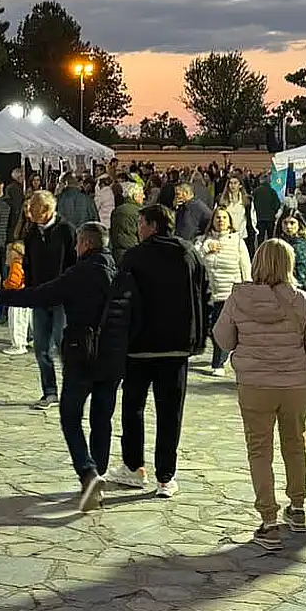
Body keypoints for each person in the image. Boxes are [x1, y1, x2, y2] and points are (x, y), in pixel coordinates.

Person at [0, 223, 132, 511]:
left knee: (70, 415)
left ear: (85, 244)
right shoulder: (122, 274)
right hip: (113, 357)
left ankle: (88, 472)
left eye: (78, 244)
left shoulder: (80, 273)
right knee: (102, 418)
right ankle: (96, 476)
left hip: (82, 353)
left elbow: (40, 295)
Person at [213, 239, 306, 551]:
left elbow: (223, 339)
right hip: (295, 385)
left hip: (255, 385)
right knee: (295, 444)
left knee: (259, 451)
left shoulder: (239, 298)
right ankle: (298, 507)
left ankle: (268, 520)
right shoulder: (302, 301)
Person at [107, 204, 210, 498]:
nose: (138, 228)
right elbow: (205, 294)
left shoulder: (134, 257)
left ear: (153, 225)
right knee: (170, 413)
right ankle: (166, 476)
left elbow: (121, 300)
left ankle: (134, 467)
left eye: (141, 223)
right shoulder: (188, 253)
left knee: (133, 408)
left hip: (140, 347)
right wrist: (198, 336)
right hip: (177, 347)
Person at [20, 191, 78, 410]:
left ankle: (72, 391)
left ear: (45, 210)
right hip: (40, 297)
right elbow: (27, 263)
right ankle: (50, 391)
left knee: (63, 344)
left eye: (33, 210)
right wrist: (30, 290)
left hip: (62, 297)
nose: (29, 213)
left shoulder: (66, 230)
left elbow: (74, 263)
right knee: (41, 347)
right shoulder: (32, 233)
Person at [198, 206, 252, 377]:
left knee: (220, 328)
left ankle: (218, 362)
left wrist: (247, 290)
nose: (220, 221)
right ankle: (225, 351)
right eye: (217, 218)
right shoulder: (203, 240)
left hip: (228, 293)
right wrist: (206, 249)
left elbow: (246, 267)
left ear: (229, 221)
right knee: (208, 328)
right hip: (207, 293)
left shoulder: (237, 242)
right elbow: (194, 260)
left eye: (224, 218)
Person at [276, 210, 306, 290]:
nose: (288, 226)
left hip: (301, 288)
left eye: (292, 223)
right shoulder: (277, 243)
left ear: (299, 224)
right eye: (285, 223)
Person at [109, 180, 144, 264]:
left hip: (117, 252)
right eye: (142, 194)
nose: (144, 196)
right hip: (134, 252)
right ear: (135, 196)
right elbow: (142, 235)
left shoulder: (116, 210)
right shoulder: (140, 212)